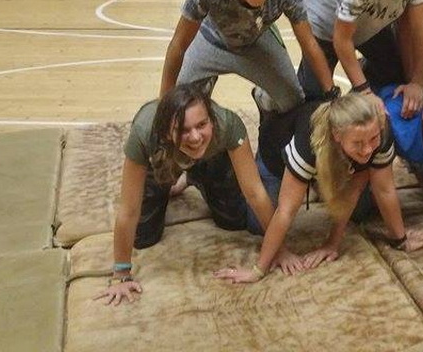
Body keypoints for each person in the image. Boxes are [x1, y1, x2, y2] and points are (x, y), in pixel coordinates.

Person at [94, 81, 289, 305]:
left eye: (202, 125)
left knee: (233, 220)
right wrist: (121, 274)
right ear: (166, 132)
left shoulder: (227, 124)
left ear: (211, 120)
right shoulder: (145, 133)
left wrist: (279, 250)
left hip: (210, 157)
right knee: (143, 237)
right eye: (183, 130)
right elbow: (129, 210)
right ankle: (172, 178)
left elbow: (254, 192)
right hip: (164, 159)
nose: (195, 136)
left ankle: (193, 176)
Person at [214, 90, 423, 284]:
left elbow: (381, 189)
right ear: (337, 135)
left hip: (335, 161)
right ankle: (211, 172)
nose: (367, 149)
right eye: (358, 143)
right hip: (277, 156)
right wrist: (258, 270)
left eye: (373, 139)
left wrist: (398, 240)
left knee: (360, 211)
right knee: (257, 224)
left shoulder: (380, 133)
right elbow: (286, 211)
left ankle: (319, 182)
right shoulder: (309, 143)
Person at [160, 0, 338, 118]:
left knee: (293, 101)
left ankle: (264, 99)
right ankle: (203, 86)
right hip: (211, 39)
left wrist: (330, 92)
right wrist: (163, 103)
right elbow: (178, 44)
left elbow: (309, 43)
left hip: (257, 40)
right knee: (181, 103)